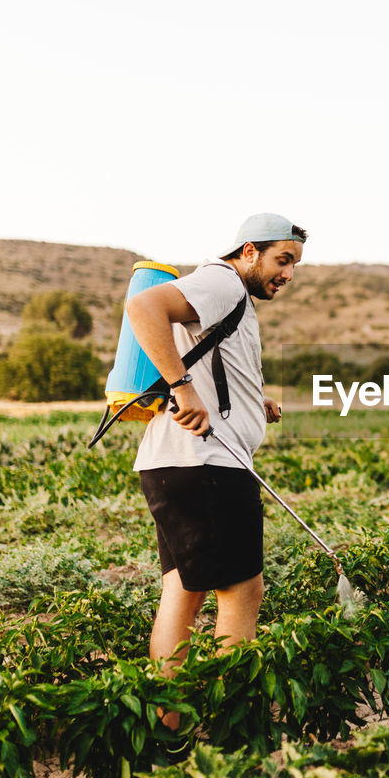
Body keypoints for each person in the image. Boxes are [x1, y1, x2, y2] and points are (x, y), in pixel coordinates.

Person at [125, 212, 305, 729]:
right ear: (248, 251)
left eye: (293, 265)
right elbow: (143, 307)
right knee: (243, 592)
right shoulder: (222, 283)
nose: (288, 274)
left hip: (178, 464)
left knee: (183, 592)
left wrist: (254, 402)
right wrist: (183, 390)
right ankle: (233, 728)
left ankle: (168, 732)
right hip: (209, 464)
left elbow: (212, 365)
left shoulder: (229, 295)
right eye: (282, 260)